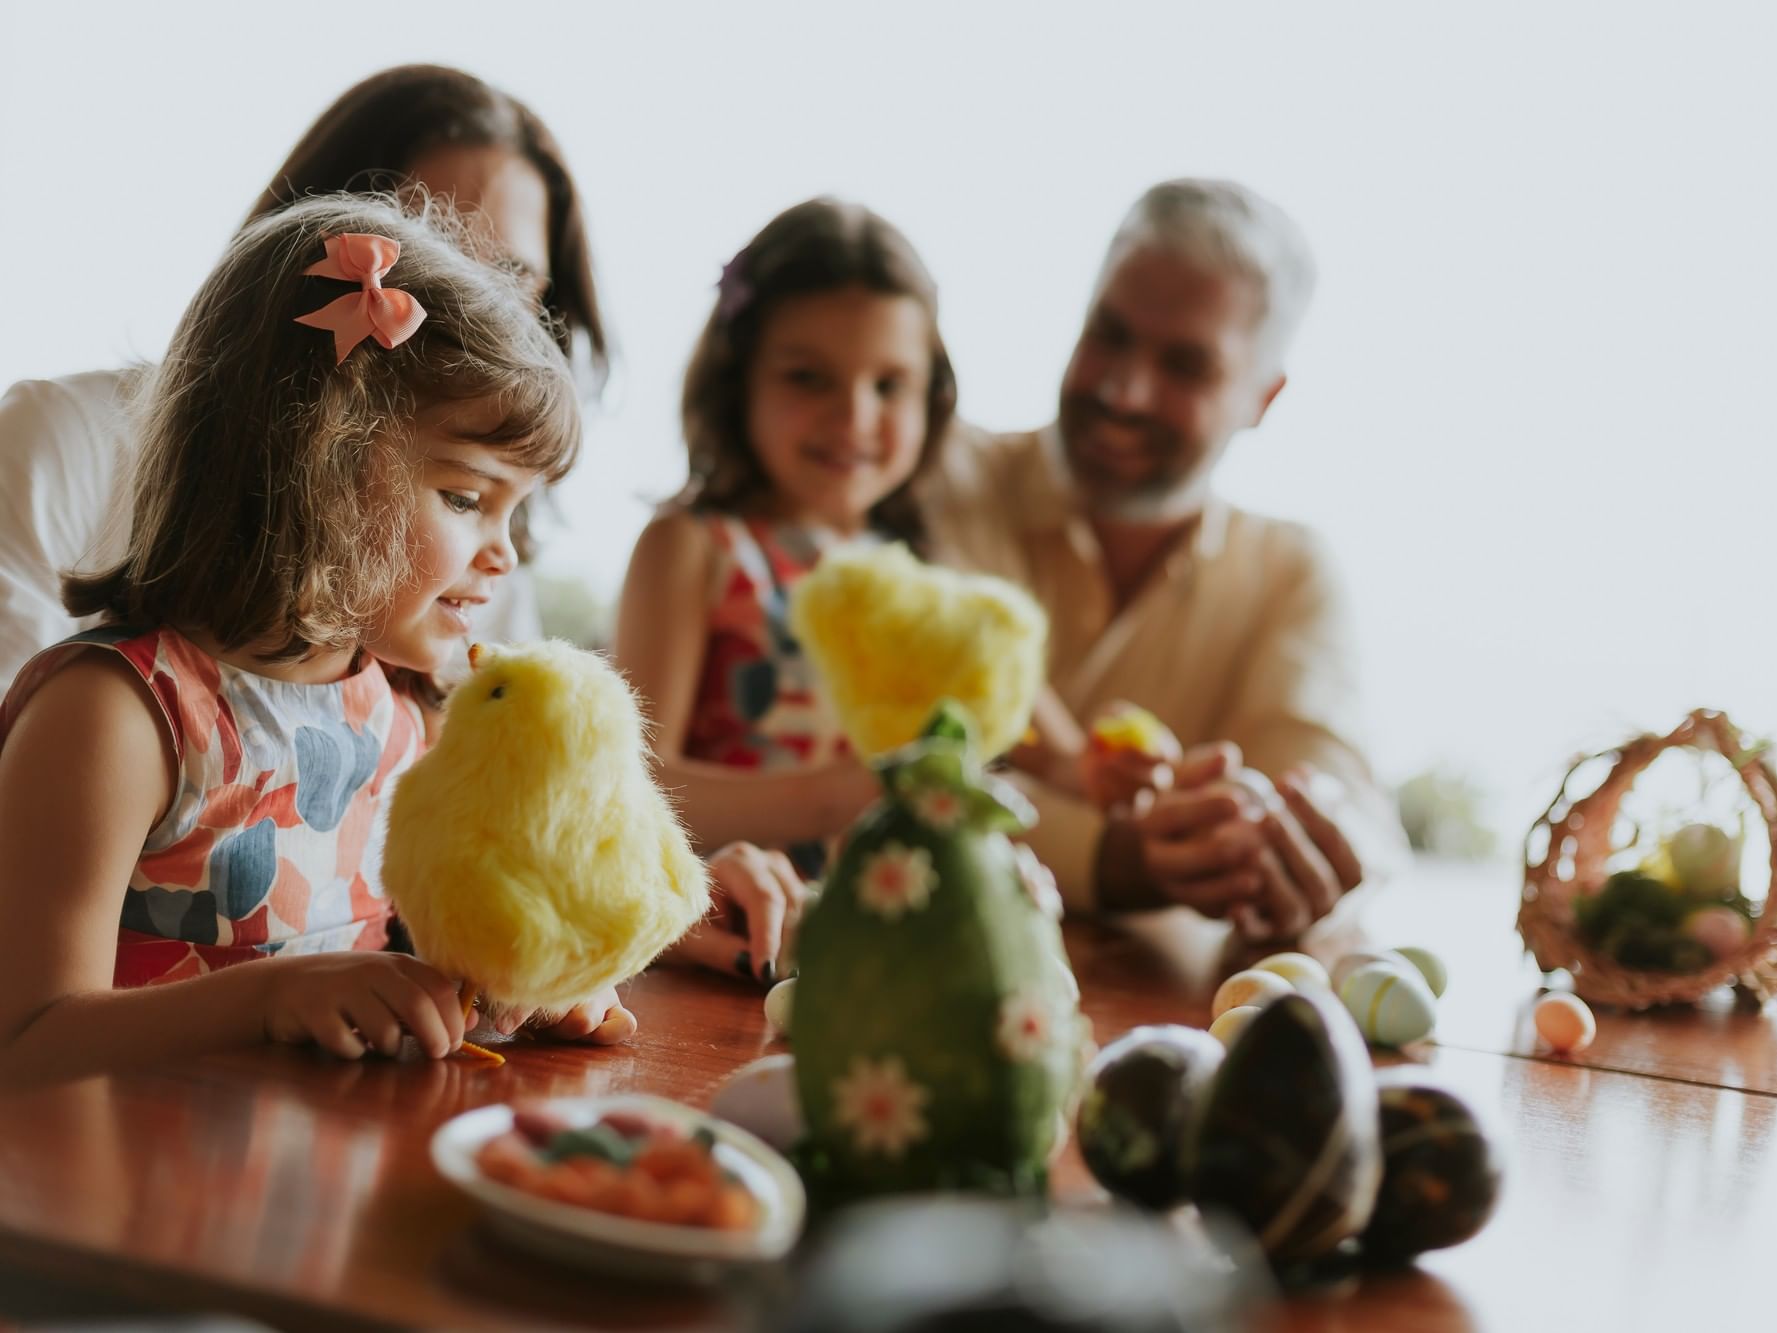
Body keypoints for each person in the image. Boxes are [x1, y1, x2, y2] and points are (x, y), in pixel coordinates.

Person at [0, 195, 608, 1089]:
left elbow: (401, 969)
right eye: (466, 497)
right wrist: (270, 997)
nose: (503, 552)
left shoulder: (403, 716)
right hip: (115, 1206)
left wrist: (518, 987)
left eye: (517, 509)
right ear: (319, 463)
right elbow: (25, 1043)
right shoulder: (119, 717)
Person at [0, 64, 607, 691]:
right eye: (427, 250)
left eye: (510, 283)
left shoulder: (477, 581)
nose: (471, 316)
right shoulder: (64, 443)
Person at [924, 179, 1404, 942]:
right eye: (1108, 334)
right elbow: (888, 766)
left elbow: (1341, 800)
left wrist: (1310, 850)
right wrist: (1115, 857)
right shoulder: (935, 475)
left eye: (1184, 365)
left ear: (1262, 398)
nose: (1123, 390)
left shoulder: (1290, 572)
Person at [612, 199, 957, 870]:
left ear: (931, 397)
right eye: (808, 377)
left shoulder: (918, 568)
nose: (855, 416)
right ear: (738, 381)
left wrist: (1093, 768)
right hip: (719, 931)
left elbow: (1032, 725)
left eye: (890, 384)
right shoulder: (692, 545)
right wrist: (832, 798)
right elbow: (633, 780)